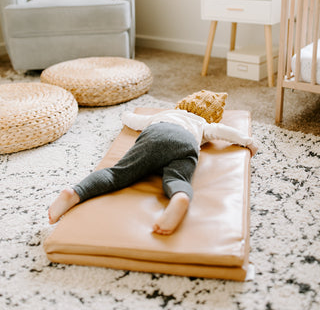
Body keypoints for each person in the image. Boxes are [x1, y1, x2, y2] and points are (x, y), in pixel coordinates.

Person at [48, 91, 258, 235]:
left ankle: (74, 193)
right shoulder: (202, 124)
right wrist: (247, 142)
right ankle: (180, 197)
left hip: (156, 134)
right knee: (178, 177)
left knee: (117, 174)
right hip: (185, 143)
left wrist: (125, 114)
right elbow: (223, 132)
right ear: (210, 116)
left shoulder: (164, 114)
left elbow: (132, 120)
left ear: (182, 104)